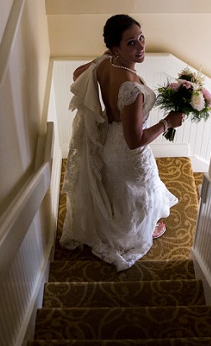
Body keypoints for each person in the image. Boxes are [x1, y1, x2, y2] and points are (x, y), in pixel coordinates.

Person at [59, 14, 185, 271]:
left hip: (109, 141)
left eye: (141, 38)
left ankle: (117, 227)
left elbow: (77, 74)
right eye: (131, 43)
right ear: (116, 47)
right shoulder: (130, 88)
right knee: (141, 189)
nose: (140, 47)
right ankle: (133, 234)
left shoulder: (106, 62)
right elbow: (135, 141)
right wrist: (168, 123)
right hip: (128, 151)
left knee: (120, 190)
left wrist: (103, 57)